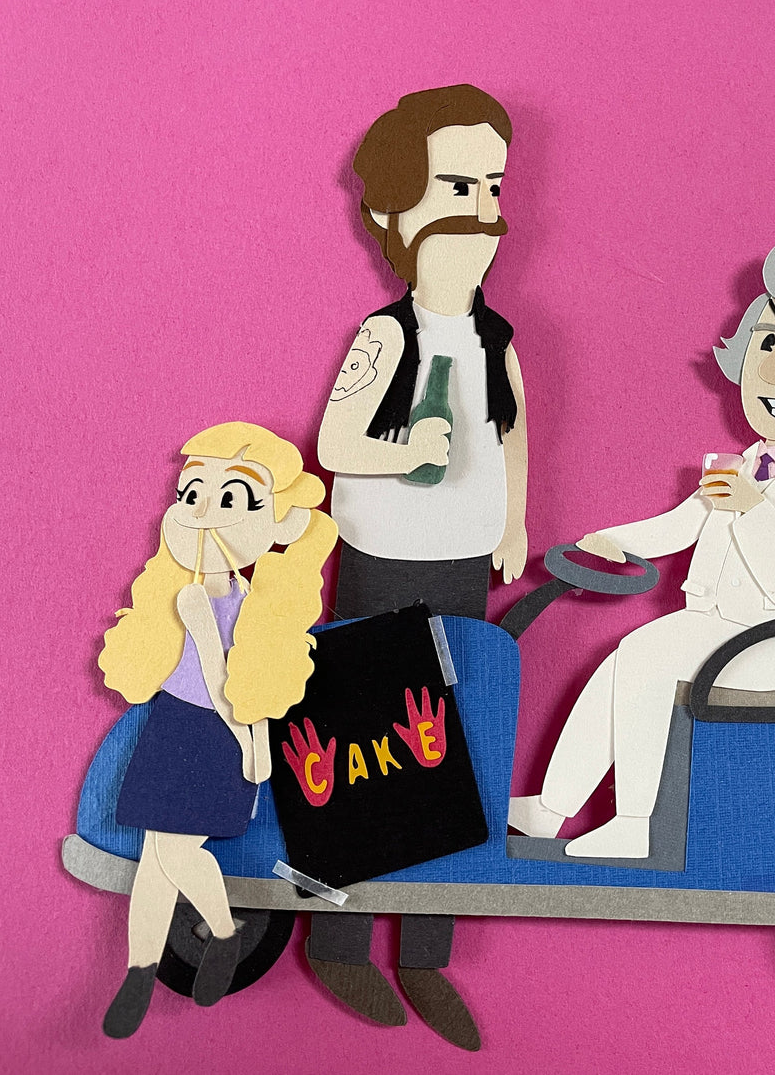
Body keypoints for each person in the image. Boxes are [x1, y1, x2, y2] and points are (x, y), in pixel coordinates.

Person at [509, 236, 775, 859]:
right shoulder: (740, 467)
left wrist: (753, 510)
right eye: (768, 346)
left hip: (766, 643)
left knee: (643, 656)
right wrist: (615, 540)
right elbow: (681, 524)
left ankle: (634, 824)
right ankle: (552, 808)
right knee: (619, 662)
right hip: (712, 626)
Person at [309, 85, 529, 1049]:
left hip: (465, 564)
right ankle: (339, 939)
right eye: (455, 186)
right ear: (396, 217)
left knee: (456, 748)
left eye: (491, 187)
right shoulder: (384, 337)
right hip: (383, 562)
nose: (478, 210)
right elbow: (335, 443)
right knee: (363, 747)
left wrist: (514, 520)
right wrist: (402, 450)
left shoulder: (497, 340)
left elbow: (514, 436)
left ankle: (426, 949)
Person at [98, 423, 338, 1038]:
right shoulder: (186, 597)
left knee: (172, 852)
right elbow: (214, 673)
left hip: (217, 736)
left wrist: (251, 742)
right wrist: (252, 739)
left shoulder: (248, 599)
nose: (203, 512)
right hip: (178, 727)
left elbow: (242, 680)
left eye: (231, 498)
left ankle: (224, 935)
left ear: (279, 522)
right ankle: (142, 969)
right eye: (193, 493)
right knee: (156, 857)